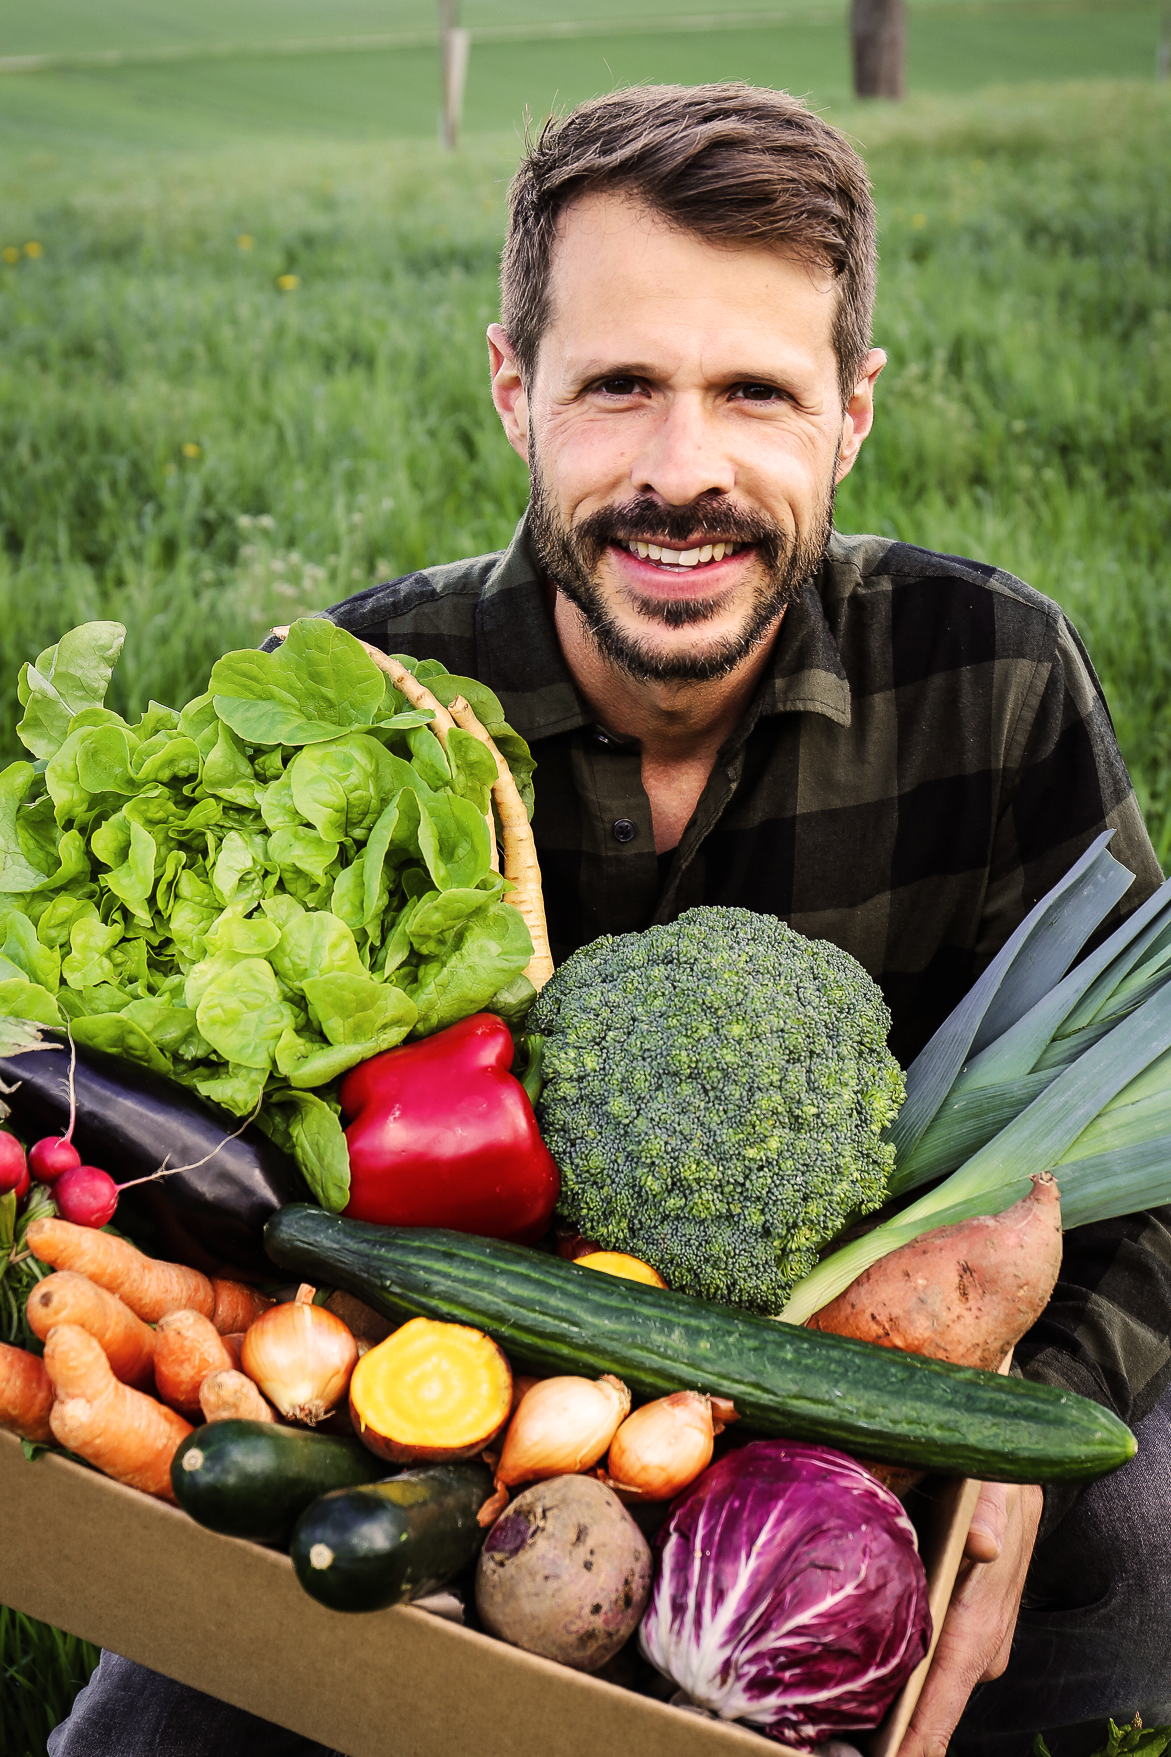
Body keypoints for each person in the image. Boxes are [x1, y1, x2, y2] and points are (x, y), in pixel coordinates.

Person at [51, 82, 1171, 1757]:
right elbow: (219, 1187)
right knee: (148, 1730)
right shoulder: (365, 715)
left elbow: (1145, 1118)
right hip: (437, 1407)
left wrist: (1023, 1421)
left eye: (754, 394)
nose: (680, 473)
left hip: (895, 1371)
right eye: (619, 386)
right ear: (513, 388)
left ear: (850, 415)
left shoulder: (988, 674)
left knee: (1133, 1518)